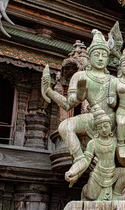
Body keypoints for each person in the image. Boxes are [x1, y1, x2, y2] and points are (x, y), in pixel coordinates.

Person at [41, 29, 116, 163]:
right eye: (97, 54)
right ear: (90, 56)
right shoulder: (80, 76)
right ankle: (80, 159)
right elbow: (68, 104)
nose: (100, 58)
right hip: (93, 118)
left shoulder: (113, 79)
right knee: (65, 126)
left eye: (104, 55)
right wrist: (49, 91)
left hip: (110, 120)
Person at [65, 105, 125, 201]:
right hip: (98, 174)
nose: (104, 130)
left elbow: (121, 158)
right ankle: (86, 190)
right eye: (100, 128)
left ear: (110, 125)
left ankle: (116, 194)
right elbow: (85, 160)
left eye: (106, 126)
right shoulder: (93, 143)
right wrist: (73, 171)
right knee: (91, 196)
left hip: (112, 172)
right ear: (97, 129)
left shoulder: (115, 140)